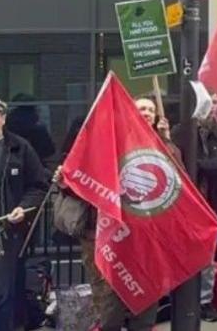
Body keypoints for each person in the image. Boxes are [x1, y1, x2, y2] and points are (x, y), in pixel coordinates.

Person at [79, 96, 177, 330]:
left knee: (145, 298)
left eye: (151, 109)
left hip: (148, 237)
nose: (146, 112)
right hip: (116, 235)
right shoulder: (113, 142)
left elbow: (178, 180)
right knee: (111, 302)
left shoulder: (163, 144)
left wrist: (165, 141)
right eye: (141, 108)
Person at [0, 98, 47, 331]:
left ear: (4, 118)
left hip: (3, 233)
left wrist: (24, 207)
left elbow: (38, 185)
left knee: (1, 291)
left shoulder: (20, 148)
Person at [184, 88, 217, 323]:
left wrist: (193, 164)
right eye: (207, 102)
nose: (211, 106)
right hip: (185, 203)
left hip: (210, 203)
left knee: (207, 256)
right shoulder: (183, 131)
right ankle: (183, 299)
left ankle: (204, 301)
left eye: (214, 102)